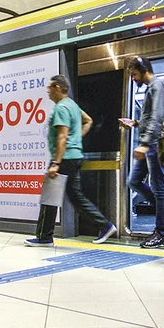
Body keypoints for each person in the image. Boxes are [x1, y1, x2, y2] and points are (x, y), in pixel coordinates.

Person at [25, 75, 117, 247]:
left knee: (50, 197)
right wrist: (77, 139)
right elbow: (88, 120)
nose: (48, 91)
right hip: (74, 157)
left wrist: (55, 163)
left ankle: (44, 237)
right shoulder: (73, 106)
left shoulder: (61, 108)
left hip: (64, 158)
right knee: (76, 196)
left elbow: (62, 136)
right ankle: (105, 225)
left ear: (58, 87)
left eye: (50, 87)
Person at [120, 57, 164, 248]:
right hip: (148, 143)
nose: (133, 78)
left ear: (143, 70)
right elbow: (151, 119)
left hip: (154, 144)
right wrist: (136, 123)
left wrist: (145, 143)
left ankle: (162, 232)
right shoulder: (151, 88)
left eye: (134, 74)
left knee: (158, 188)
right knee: (133, 181)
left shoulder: (158, 86)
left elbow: (158, 118)